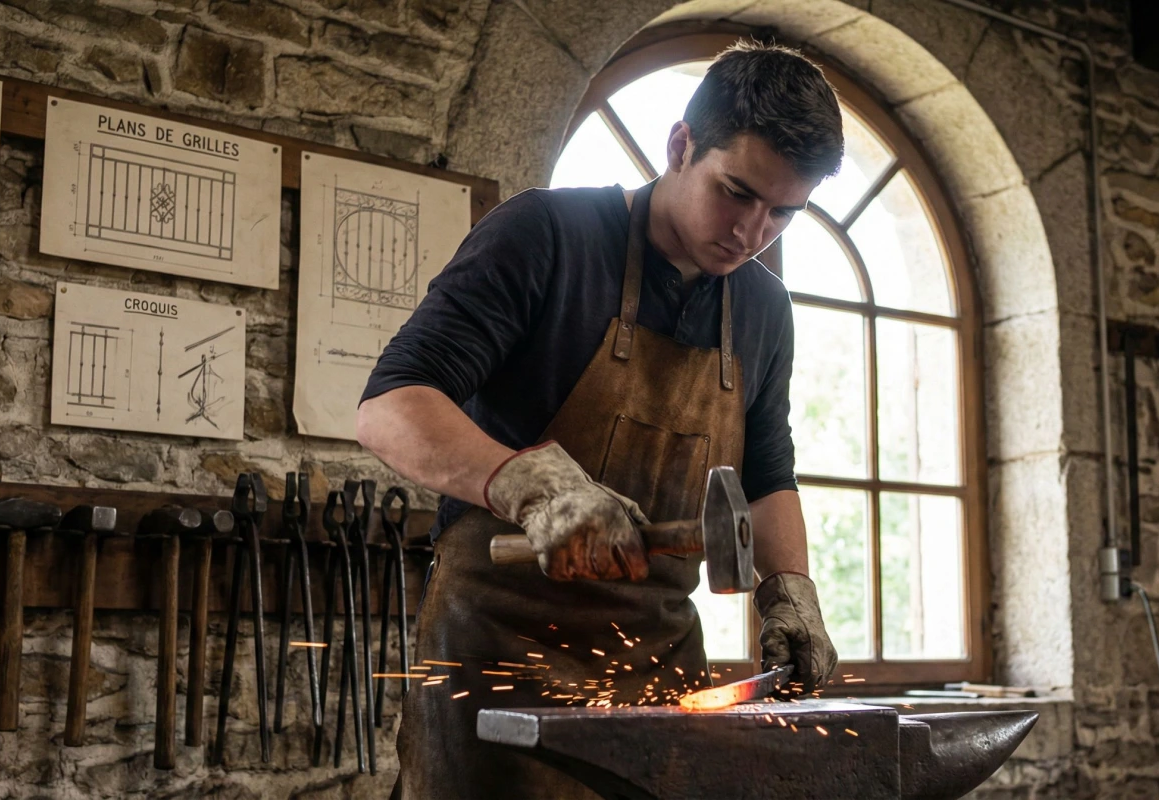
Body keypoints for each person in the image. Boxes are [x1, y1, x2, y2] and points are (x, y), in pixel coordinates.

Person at [357, 40, 844, 799]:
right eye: (737, 192)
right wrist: (532, 486)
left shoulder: (761, 310)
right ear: (681, 144)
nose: (752, 233)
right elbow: (392, 405)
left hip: (654, 661)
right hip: (501, 648)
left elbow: (767, 474)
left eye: (784, 212)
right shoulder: (546, 235)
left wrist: (789, 593)